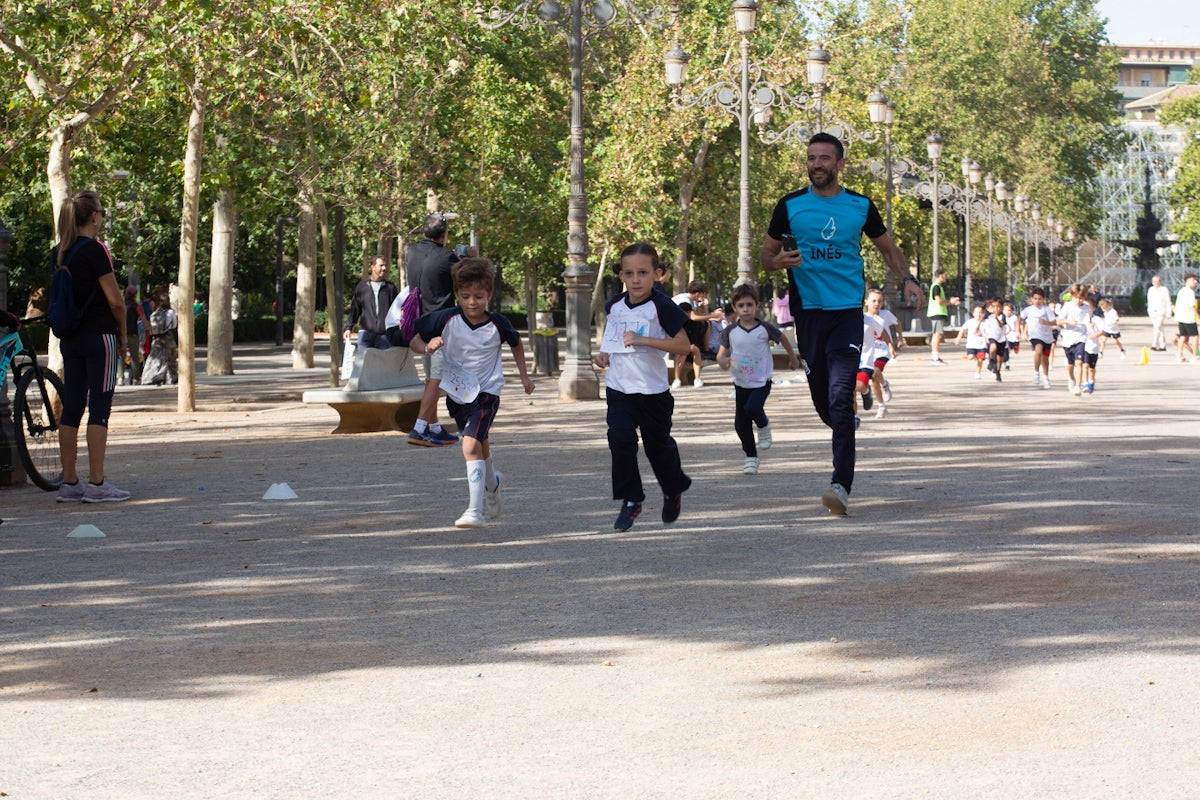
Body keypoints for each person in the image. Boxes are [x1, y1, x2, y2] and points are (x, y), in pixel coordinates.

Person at [761, 131, 923, 516]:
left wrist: (907, 279)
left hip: (847, 312)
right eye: (811, 158)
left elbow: (888, 249)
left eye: (824, 158)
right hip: (808, 314)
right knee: (826, 404)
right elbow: (766, 255)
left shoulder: (860, 206)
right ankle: (845, 420)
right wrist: (776, 262)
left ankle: (840, 485)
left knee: (838, 395)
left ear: (839, 164)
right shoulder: (790, 206)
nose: (817, 164)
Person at [410, 257, 534, 529]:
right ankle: (493, 483)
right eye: (465, 296)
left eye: (479, 296)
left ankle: (474, 511)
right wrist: (427, 347)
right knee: (480, 444)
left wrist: (524, 377)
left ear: (489, 293)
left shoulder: (498, 323)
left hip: (487, 393)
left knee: (468, 446)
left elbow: (516, 343)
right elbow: (413, 337)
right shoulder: (446, 318)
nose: (472, 302)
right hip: (458, 395)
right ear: (457, 294)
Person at [594, 242, 693, 532]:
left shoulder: (662, 306)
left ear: (657, 274)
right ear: (621, 275)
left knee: (657, 448)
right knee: (619, 438)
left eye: (642, 273)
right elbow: (613, 339)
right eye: (629, 273)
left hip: (653, 393)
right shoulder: (614, 305)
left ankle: (673, 488)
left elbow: (683, 346)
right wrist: (604, 354)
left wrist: (643, 340)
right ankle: (631, 499)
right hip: (619, 388)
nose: (635, 280)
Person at [52, 190, 131, 503]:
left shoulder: (59, 252)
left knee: (71, 408)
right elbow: (116, 301)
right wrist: (123, 337)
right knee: (100, 408)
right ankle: (97, 483)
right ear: (94, 217)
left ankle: (70, 481)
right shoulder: (95, 250)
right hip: (100, 337)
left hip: (70, 339)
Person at [715, 284, 799, 476]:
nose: (745, 309)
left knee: (753, 408)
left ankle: (763, 425)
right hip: (741, 381)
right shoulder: (730, 331)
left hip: (762, 380)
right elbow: (721, 355)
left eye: (749, 305)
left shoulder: (764, 328)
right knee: (740, 423)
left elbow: (783, 339)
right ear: (735, 308)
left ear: (757, 306)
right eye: (741, 305)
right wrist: (723, 361)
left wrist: (793, 358)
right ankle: (751, 457)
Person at [406, 213, 463, 446]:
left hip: (420, 324)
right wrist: (468, 257)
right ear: (444, 234)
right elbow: (465, 275)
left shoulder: (411, 252)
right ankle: (419, 428)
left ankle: (435, 427)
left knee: (431, 377)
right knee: (437, 379)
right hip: (441, 325)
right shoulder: (447, 256)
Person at [671, 280, 722, 389]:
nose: (705, 296)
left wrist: (705, 308)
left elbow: (702, 316)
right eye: (704, 294)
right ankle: (677, 379)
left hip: (688, 331)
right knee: (683, 352)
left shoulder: (692, 301)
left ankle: (697, 378)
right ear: (699, 293)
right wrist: (714, 315)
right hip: (677, 333)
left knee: (695, 349)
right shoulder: (684, 300)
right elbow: (693, 317)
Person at [344, 255, 399, 352]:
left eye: (385, 265)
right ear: (373, 267)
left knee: (383, 362)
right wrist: (348, 327)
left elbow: (396, 310)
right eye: (381, 265)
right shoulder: (362, 287)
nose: (384, 268)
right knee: (364, 361)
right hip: (365, 335)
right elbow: (355, 309)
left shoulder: (390, 288)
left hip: (384, 335)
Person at [1056, 283, 1092, 396]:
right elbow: (1059, 321)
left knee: (1079, 362)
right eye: (1076, 297)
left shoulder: (1086, 307)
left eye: (1081, 298)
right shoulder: (1067, 306)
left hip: (1081, 337)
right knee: (1070, 365)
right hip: (1068, 338)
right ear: (1072, 296)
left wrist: (1090, 325)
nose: (1078, 300)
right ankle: (1071, 378)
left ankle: (1078, 386)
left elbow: (1088, 320)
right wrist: (1068, 321)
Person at [1019, 287, 1056, 389]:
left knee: (1045, 359)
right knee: (1038, 351)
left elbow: (1054, 322)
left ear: (1043, 299)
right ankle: (1036, 373)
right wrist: (1020, 332)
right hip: (1035, 335)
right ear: (1031, 299)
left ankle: (1046, 378)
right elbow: (1020, 319)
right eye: (1035, 298)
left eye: (1040, 299)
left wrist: (1046, 322)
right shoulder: (1028, 310)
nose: (1037, 301)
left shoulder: (1046, 310)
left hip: (1047, 337)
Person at [141, 291, 179, 386]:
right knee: (170, 357)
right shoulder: (170, 312)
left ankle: (150, 377)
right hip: (167, 336)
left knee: (155, 357)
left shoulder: (156, 312)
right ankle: (170, 378)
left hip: (156, 338)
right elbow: (174, 325)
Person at [926, 268, 960, 364]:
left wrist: (950, 301)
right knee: (937, 335)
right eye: (945, 275)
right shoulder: (936, 287)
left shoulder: (938, 287)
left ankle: (935, 356)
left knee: (937, 335)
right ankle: (935, 357)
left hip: (938, 313)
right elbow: (939, 301)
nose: (946, 277)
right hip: (937, 312)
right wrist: (951, 302)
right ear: (940, 276)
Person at [954, 304, 989, 380]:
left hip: (982, 345)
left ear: (984, 314)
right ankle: (974, 356)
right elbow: (962, 329)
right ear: (973, 313)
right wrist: (958, 337)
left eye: (981, 312)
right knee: (970, 357)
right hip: (971, 345)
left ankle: (978, 373)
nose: (979, 314)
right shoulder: (970, 322)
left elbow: (988, 333)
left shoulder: (986, 323)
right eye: (977, 312)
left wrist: (988, 338)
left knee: (980, 359)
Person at [120, 285, 145, 386]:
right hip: (133, 335)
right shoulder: (137, 306)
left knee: (121, 356)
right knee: (134, 358)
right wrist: (148, 330)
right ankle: (135, 379)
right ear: (135, 295)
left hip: (121, 334)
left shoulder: (121, 304)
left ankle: (120, 378)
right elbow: (143, 319)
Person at [1173, 273, 1198, 363]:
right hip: (1189, 318)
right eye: (1193, 280)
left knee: (1183, 336)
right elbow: (1192, 306)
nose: (1195, 282)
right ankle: (1194, 356)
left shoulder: (1181, 291)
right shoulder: (1190, 292)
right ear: (1187, 281)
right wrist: (1198, 316)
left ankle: (1179, 355)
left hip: (1180, 317)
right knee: (1195, 336)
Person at [1146, 275, 1173, 351]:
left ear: (1160, 281)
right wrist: (1149, 310)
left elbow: (1168, 301)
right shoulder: (1151, 290)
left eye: (1158, 281)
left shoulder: (1164, 289)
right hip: (1152, 311)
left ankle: (1154, 344)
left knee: (1157, 327)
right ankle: (1162, 346)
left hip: (1161, 311)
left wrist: (1169, 312)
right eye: (1154, 281)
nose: (1156, 283)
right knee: (1160, 328)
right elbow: (1149, 300)